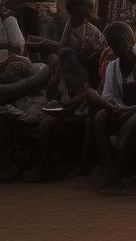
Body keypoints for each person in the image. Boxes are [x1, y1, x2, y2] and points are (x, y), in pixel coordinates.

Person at [93, 22, 136, 192]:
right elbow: (108, 95)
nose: (118, 49)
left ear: (131, 42)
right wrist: (117, 107)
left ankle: (117, 172)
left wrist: (127, 110)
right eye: (114, 45)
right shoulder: (112, 67)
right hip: (122, 112)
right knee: (100, 116)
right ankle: (108, 166)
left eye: (121, 44)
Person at [26, 48, 102, 181]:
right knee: (45, 123)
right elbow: (54, 98)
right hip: (71, 115)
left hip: (81, 117)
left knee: (46, 124)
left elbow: (76, 105)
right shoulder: (63, 77)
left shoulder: (75, 78)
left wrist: (63, 109)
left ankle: (43, 166)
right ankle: (44, 165)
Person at [0, 23, 50, 181]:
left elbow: (22, 84)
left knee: (4, 113)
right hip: (16, 92)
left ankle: (6, 166)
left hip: (24, 98)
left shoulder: (40, 69)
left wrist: (12, 60)